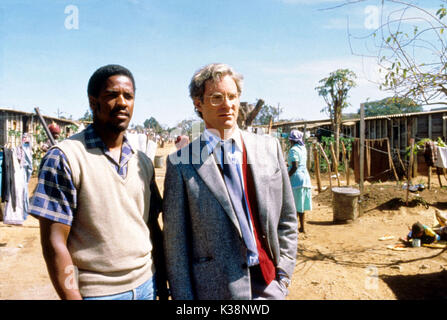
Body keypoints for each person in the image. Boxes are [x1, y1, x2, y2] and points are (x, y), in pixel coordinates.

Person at [29, 64, 167, 300]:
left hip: (147, 285)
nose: (122, 102)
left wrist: (162, 285)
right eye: (112, 95)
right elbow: (54, 243)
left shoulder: (141, 161)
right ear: (93, 102)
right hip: (98, 293)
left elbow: (152, 226)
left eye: (129, 96)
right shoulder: (65, 157)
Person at [162, 63, 298, 300]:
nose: (227, 104)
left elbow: (287, 217)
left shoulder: (268, 148)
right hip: (214, 291)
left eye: (232, 96)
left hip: (269, 283)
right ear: (198, 104)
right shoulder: (181, 164)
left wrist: (283, 274)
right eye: (216, 98)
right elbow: (176, 248)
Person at [287, 129, 312, 233]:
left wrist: (287, 176)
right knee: (301, 204)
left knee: (294, 205)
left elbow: (295, 166)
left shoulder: (293, 150)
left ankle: (293, 228)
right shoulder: (303, 148)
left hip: (296, 179)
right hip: (305, 178)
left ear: (292, 140)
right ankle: (302, 227)